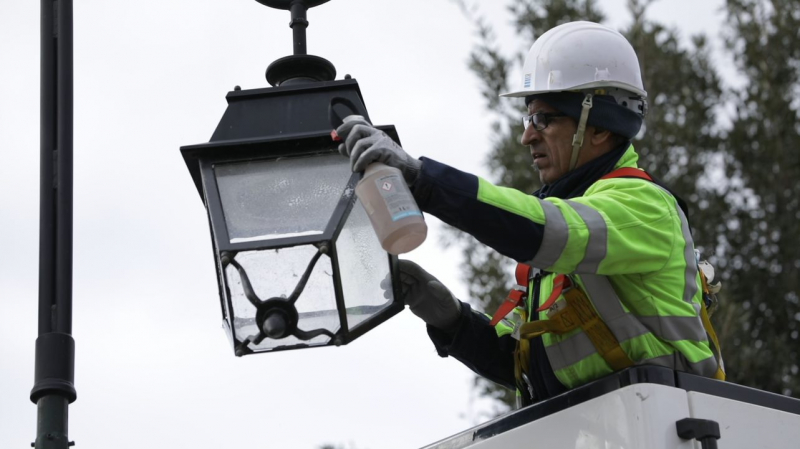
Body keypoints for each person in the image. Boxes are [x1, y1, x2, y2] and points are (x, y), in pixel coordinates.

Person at [336, 21, 722, 407]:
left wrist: (424, 180)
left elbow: (548, 228)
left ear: (600, 127)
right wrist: (448, 317)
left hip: (667, 428)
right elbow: (519, 365)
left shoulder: (644, 206)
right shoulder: (556, 246)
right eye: (528, 118)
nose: (528, 136)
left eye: (545, 119)